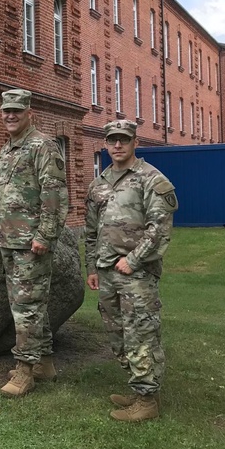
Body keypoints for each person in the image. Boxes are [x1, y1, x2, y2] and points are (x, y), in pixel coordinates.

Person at [84, 119, 178, 422]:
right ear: (106, 143)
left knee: (141, 333)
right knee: (118, 335)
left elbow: (160, 229)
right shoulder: (99, 183)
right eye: (112, 140)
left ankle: (147, 399)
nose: (118, 145)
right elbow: (90, 231)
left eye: (124, 139)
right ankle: (139, 389)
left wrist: (134, 260)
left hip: (135, 274)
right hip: (107, 272)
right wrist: (92, 266)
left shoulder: (151, 179)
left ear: (135, 142)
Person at [0, 89, 70, 397]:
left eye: (17, 111)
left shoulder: (43, 146)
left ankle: (25, 371)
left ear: (29, 113)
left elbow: (54, 194)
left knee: (26, 307)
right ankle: (45, 361)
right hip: (10, 241)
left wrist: (45, 236)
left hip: (31, 243)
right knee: (27, 305)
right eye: (6, 111)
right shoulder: (8, 149)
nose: (10, 115)